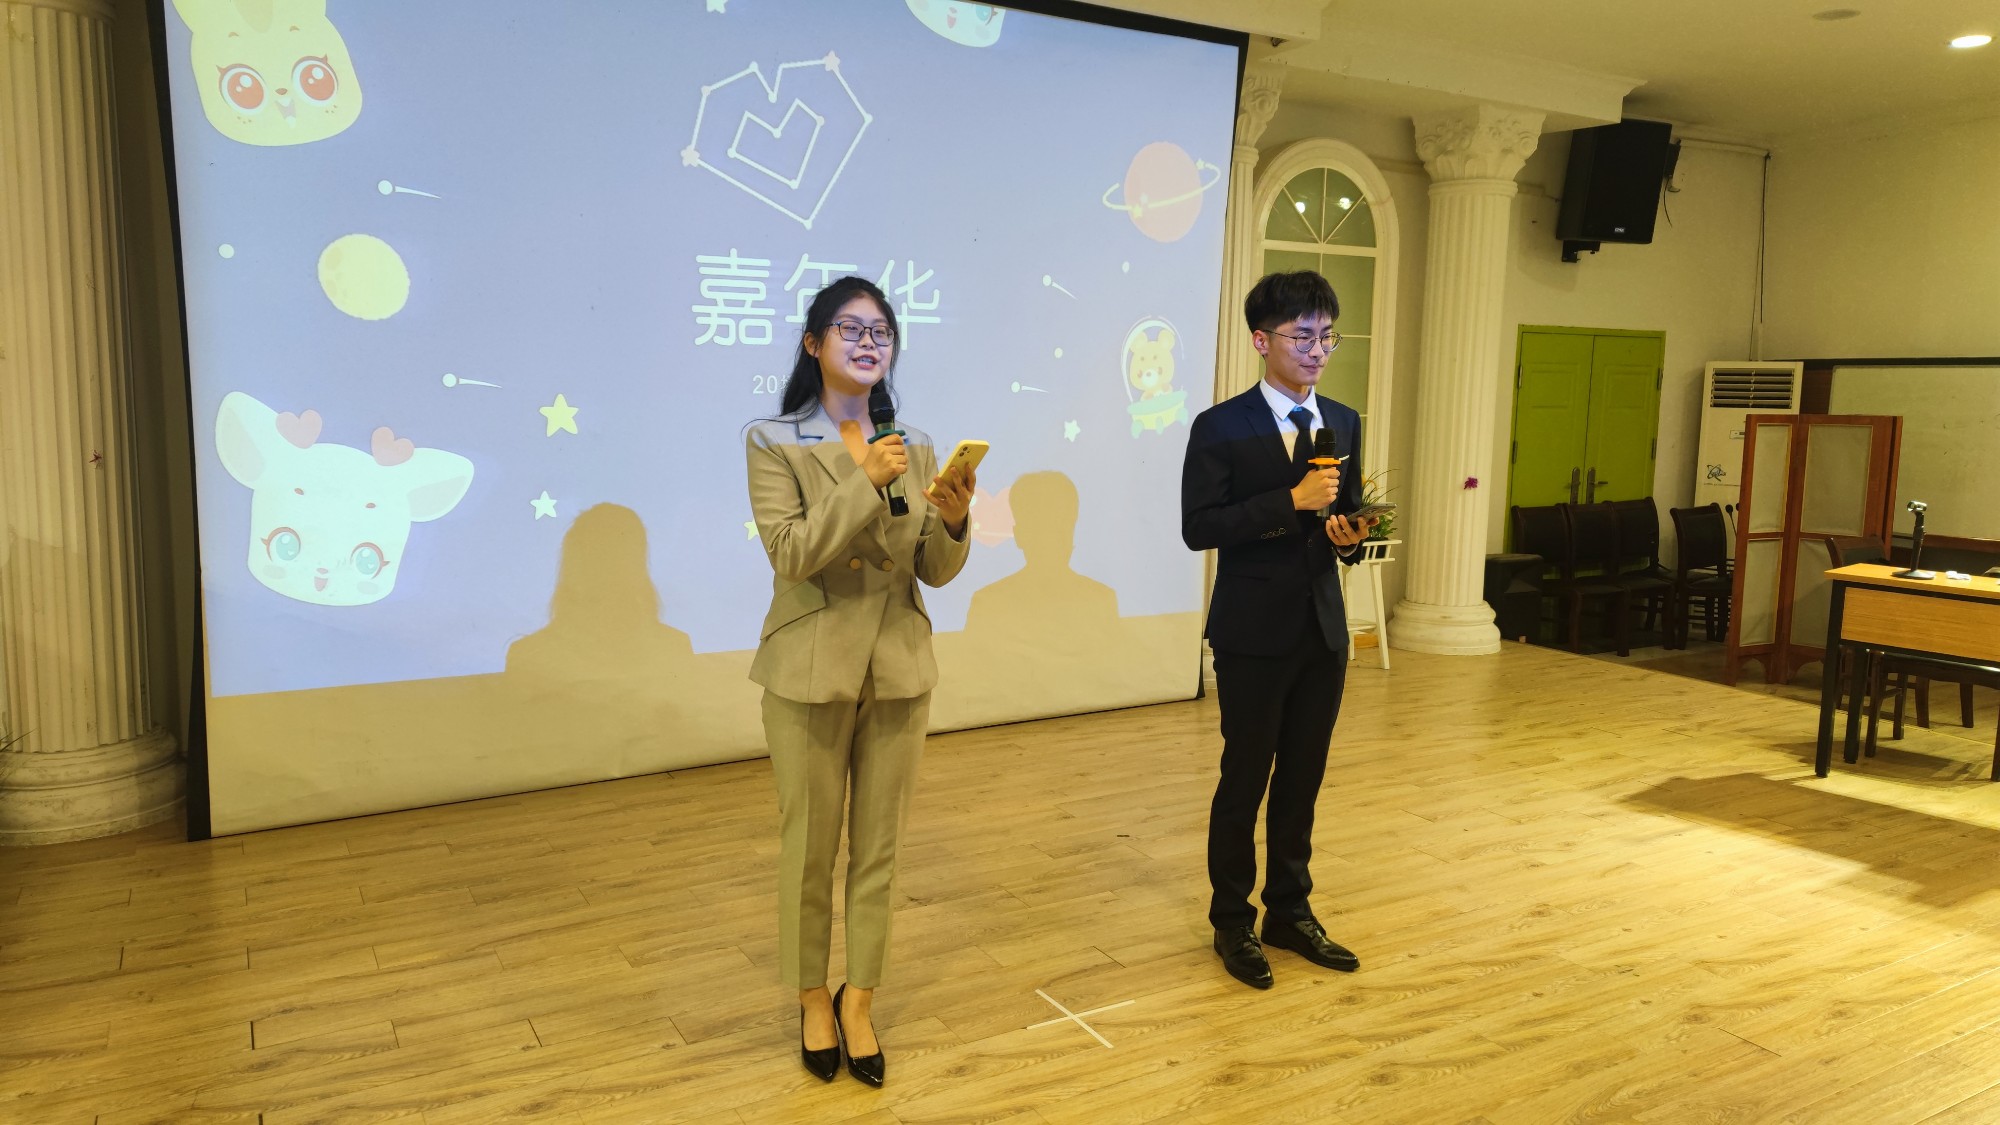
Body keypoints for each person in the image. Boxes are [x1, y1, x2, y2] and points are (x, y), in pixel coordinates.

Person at [744, 276, 975, 1085]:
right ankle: (812, 994)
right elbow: (791, 553)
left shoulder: (913, 443)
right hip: (810, 667)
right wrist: (864, 480)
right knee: (810, 846)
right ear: (813, 343)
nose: (869, 341)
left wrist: (954, 519)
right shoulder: (774, 440)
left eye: (881, 330)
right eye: (851, 328)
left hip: (900, 666)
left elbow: (930, 569)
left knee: (880, 848)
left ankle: (860, 996)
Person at [1179, 269, 1375, 990]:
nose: (1318, 350)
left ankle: (1289, 911)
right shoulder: (1221, 426)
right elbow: (1199, 526)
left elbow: (1344, 516)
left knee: (1303, 778)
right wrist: (1287, 500)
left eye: (1327, 337)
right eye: (1303, 337)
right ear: (1262, 341)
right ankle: (1232, 918)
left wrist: (1351, 536)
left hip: (1322, 629)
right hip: (1252, 630)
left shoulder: (1344, 420)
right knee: (1245, 778)